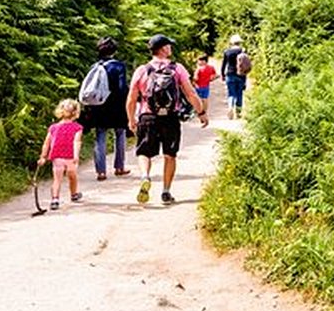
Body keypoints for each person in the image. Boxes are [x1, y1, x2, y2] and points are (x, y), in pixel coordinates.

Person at [126, 34, 208, 205]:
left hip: (147, 117)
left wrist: (131, 119)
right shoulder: (177, 69)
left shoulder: (142, 70)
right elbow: (190, 93)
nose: (170, 48)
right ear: (163, 49)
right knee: (170, 155)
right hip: (170, 117)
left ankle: (145, 177)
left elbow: (131, 99)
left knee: (144, 152)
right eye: (169, 45)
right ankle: (166, 191)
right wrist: (201, 112)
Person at [83, 36, 131, 181]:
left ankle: (101, 172)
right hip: (117, 106)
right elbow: (122, 88)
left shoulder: (95, 67)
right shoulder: (118, 66)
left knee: (100, 136)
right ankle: (119, 167)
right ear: (114, 50)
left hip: (99, 106)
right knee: (120, 134)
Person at [38, 99, 84, 211]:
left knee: (57, 179)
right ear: (75, 113)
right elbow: (76, 142)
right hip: (70, 156)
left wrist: (43, 157)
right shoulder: (77, 128)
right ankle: (74, 194)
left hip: (57, 155)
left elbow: (47, 143)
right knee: (72, 176)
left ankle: (55, 200)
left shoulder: (53, 127)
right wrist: (76, 155)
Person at [220, 34, 249, 119]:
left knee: (231, 93)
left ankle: (230, 108)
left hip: (230, 74)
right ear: (239, 42)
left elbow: (224, 64)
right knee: (239, 93)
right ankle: (238, 112)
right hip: (241, 75)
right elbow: (245, 65)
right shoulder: (243, 51)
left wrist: (222, 74)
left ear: (232, 42)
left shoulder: (227, 52)